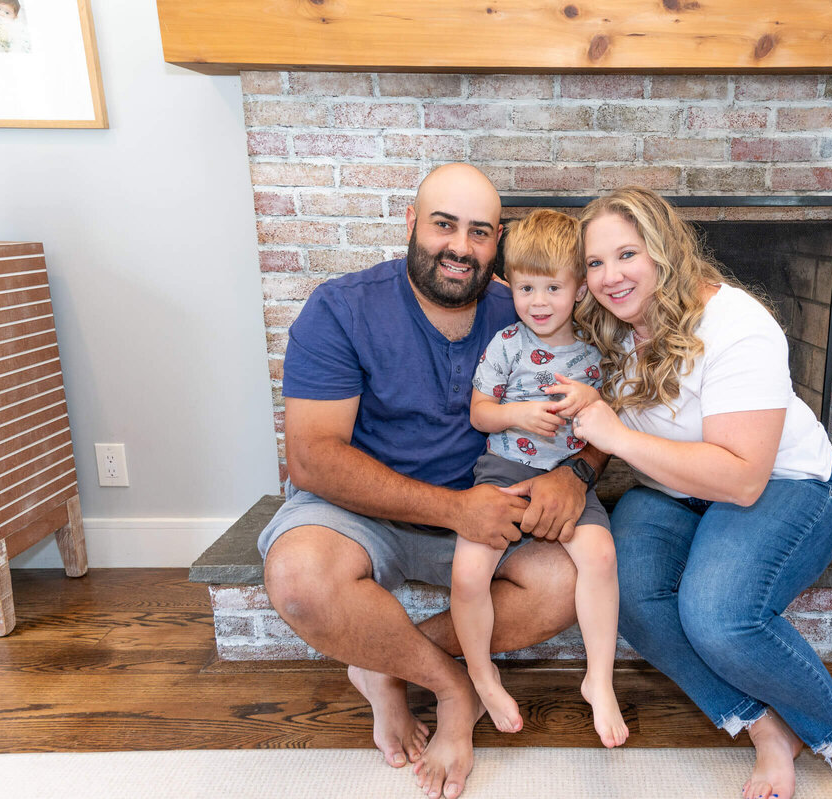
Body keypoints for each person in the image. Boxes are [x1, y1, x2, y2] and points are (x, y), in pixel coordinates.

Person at [258, 164, 608, 799]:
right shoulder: (341, 308)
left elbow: (594, 414)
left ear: (497, 242)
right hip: (362, 509)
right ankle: (454, 689)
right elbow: (312, 458)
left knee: (565, 581)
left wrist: (576, 475)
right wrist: (454, 510)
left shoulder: (529, 308)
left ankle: (383, 666)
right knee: (301, 581)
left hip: (492, 502)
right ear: (413, 223)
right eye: (445, 225)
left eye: (479, 233)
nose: (460, 247)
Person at [569, 187, 832, 799]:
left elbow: (742, 476)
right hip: (672, 490)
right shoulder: (607, 325)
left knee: (720, 617)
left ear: (665, 251)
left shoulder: (736, 324)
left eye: (627, 254)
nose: (610, 277)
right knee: (634, 595)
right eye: (595, 263)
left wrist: (615, 436)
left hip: (780, 485)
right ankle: (765, 728)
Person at [456, 209, 628, 748]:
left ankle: (598, 679)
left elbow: (610, 426)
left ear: (579, 290)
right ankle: (482, 675)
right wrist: (516, 415)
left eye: (552, 287)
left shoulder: (596, 353)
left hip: (566, 475)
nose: (538, 302)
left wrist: (592, 401)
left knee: (600, 556)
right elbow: (480, 413)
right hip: (504, 469)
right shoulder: (506, 344)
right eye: (526, 287)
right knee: (469, 571)